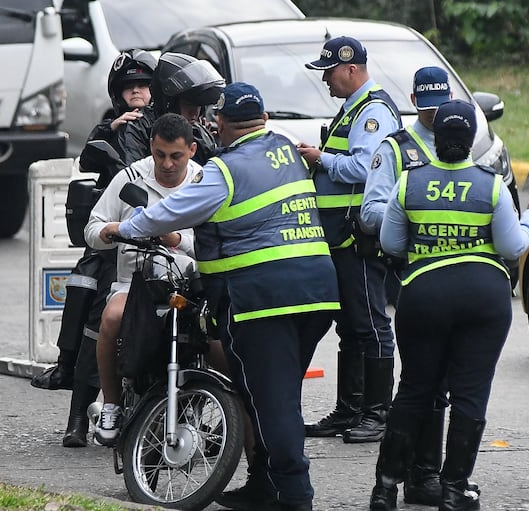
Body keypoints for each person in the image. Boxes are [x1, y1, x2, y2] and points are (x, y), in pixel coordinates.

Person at [99, 82, 341, 511]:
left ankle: (294, 497)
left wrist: (125, 228)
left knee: (273, 401)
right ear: (264, 120)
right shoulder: (287, 151)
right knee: (273, 394)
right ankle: (264, 484)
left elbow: (170, 212)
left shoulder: (225, 170)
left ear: (221, 123)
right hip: (318, 291)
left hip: (265, 297)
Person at [370, 100, 529, 511]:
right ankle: (454, 491)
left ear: (435, 138)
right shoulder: (490, 186)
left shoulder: (409, 183)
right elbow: (512, 246)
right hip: (483, 299)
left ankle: (385, 489)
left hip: (424, 296)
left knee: (415, 389)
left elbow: (390, 243)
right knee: (469, 395)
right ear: (473, 139)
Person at [29, 49, 158, 449]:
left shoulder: (166, 128)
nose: (137, 92)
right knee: (87, 290)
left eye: (144, 86)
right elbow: (88, 160)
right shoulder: (112, 127)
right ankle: (76, 410)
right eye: (130, 87)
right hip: (114, 236)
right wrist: (109, 130)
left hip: (161, 235)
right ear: (118, 93)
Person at [359, 66, 461, 504]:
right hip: (411, 277)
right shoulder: (395, 148)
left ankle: (423, 475)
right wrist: (415, 212)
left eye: (441, 107)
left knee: (440, 382)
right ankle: (404, 478)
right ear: (415, 102)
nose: (434, 116)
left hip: (455, 279)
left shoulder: (461, 141)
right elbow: (370, 213)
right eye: (427, 107)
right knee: (421, 380)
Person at [297, 36, 402, 442]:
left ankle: (377, 415)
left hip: (358, 239)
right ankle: (349, 411)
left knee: (370, 324)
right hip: (341, 238)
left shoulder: (372, 112)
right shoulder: (353, 108)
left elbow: (365, 167)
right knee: (351, 326)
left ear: (351, 68)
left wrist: (320, 159)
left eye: (329, 71)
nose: (325, 79)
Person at [82, 113, 202, 446]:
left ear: (191, 150)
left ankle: (227, 408)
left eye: (176, 156)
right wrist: (110, 231)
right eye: (160, 154)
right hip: (135, 283)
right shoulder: (130, 177)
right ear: (151, 146)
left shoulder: (204, 181)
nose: (167, 164)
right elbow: (92, 229)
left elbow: (218, 241)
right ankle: (111, 403)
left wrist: (176, 240)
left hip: (188, 282)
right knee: (111, 318)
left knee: (219, 336)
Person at [122, 52, 225, 166]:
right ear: (169, 104)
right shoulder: (138, 129)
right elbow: (133, 172)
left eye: (198, 105)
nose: (194, 112)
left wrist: (206, 144)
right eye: (188, 104)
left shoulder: (199, 131)